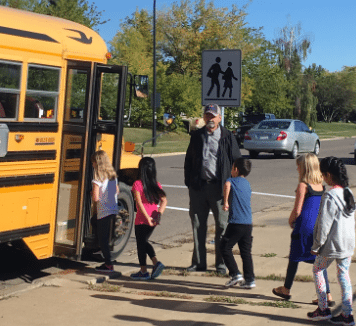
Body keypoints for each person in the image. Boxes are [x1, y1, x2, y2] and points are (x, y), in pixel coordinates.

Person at [184, 103, 241, 275]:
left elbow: (237, 162)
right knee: (197, 225)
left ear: (219, 118)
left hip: (220, 189)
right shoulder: (197, 136)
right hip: (199, 187)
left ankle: (221, 264)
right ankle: (199, 262)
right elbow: (188, 161)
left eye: (213, 116)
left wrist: (233, 185)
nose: (210, 118)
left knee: (222, 226)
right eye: (207, 115)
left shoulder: (227, 136)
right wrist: (190, 183)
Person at [272, 154, 333, 302]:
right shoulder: (321, 187)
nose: (297, 169)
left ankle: (286, 289)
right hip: (317, 227)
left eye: (298, 166)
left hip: (303, 226)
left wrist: (291, 220)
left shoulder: (303, 186)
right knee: (318, 262)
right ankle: (327, 294)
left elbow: (298, 210)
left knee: (294, 257)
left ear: (304, 168)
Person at [307, 157, 355, 324]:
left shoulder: (330, 195)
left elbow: (324, 224)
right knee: (344, 275)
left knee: (318, 269)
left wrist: (316, 246)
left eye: (322, 174)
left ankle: (323, 308)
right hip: (348, 244)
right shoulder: (348, 192)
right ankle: (348, 315)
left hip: (332, 245)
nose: (322, 177)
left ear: (328, 175)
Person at [220, 157, 255, 289]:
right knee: (245, 252)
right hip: (248, 223)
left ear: (235, 169)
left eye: (232, 168)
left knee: (225, 246)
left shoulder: (231, 180)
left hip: (236, 222)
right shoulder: (247, 183)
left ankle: (235, 274)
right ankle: (250, 279)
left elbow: (227, 185)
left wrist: (226, 202)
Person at [130, 157, 167, 280]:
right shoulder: (156, 185)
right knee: (144, 242)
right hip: (153, 218)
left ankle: (144, 270)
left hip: (142, 219)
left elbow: (139, 203)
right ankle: (155, 263)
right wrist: (157, 215)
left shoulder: (137, 184)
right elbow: (164, 200)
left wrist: (146, 218)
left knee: (141, 244)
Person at [91, 150, 120, 273]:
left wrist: (92, 193)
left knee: (103, 238)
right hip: (112, 208)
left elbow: (96, 198)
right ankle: (99, 247)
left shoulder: (97, 177)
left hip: (103, 211)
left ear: (97, 163)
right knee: (94, 222)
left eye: (93, 163)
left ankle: (108, 264)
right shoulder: (112, 175)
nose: (92, 165)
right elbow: (117, 191)